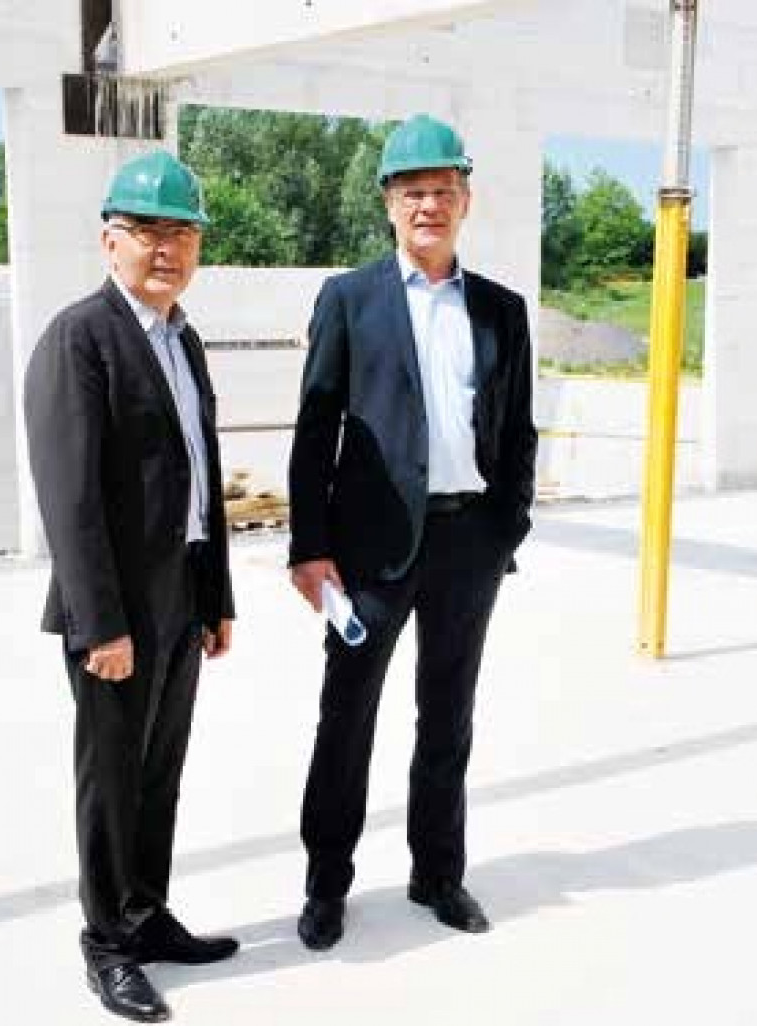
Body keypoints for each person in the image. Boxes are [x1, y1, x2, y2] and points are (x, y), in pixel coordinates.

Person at [288, 114, 537, 950]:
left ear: (465, 200)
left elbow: (518, 428)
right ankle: (327, 884)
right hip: (370, 549)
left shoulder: (502, 310)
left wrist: (510, 529)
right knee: (346, 714)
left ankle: (439, 874)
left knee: (448, 716)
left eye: (442, 190)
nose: (428, 204)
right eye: (411, 192)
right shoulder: (350, 300)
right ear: (390, 205)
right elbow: (314, 427)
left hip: (469, 542)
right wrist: (309, 547)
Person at [24, 150, 238, 1022]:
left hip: (180, 597)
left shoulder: (182, 339)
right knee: (111, 779)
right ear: (109, 239)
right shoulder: (82, 338)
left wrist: (217, 595)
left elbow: (202, 472)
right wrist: (99, 624)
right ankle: (107, 942)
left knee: (161, 772)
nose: (167, 248)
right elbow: (68, 497)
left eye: (182, 232)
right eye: (148, 231)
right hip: (114, 612)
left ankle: (148, 914)